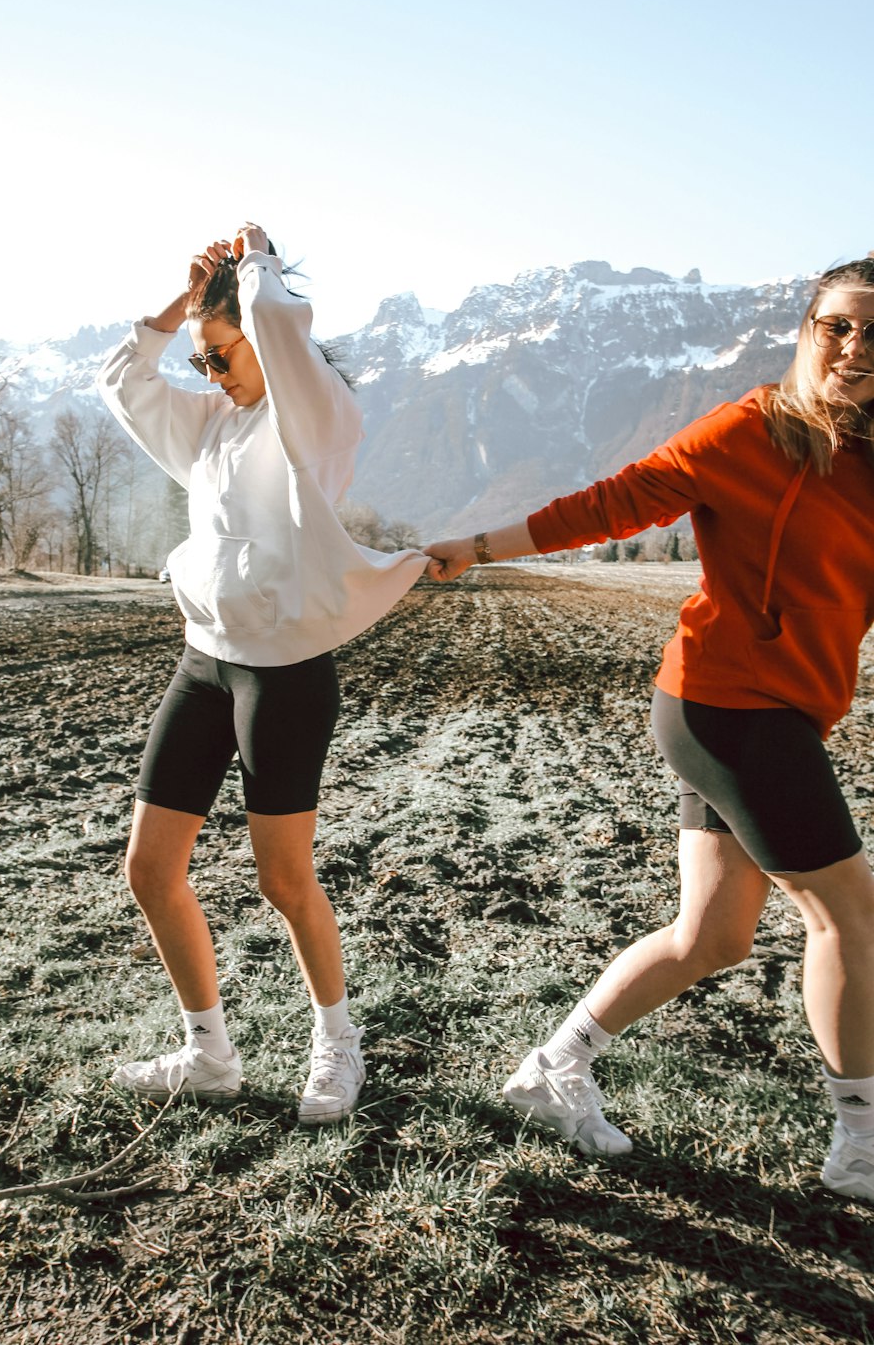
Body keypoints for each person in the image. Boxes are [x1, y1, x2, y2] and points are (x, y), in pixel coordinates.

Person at [423, 254, 874, 1202]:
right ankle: (862, 1144)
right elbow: (616, 501)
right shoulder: (751, 430)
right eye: (838, 324)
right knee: (849, 916)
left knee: (712, 938)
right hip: (726, 707)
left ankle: (555, 1067)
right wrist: (481, 545)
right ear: (806, 331)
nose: (855, 346)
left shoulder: (870, 458)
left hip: (782, 711)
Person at [97, 223, 426, 1122]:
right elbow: (122, 381)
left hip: (284, 675)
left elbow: (280, 337)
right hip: (206, 664)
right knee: (150, 867)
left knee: (283, 880)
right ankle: (209, 1052)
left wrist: (255, 276)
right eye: (201, 362)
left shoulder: (312, 419)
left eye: (222, 356)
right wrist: (186, 301)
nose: (211, 375)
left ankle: (339, 1046)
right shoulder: (208, 425)